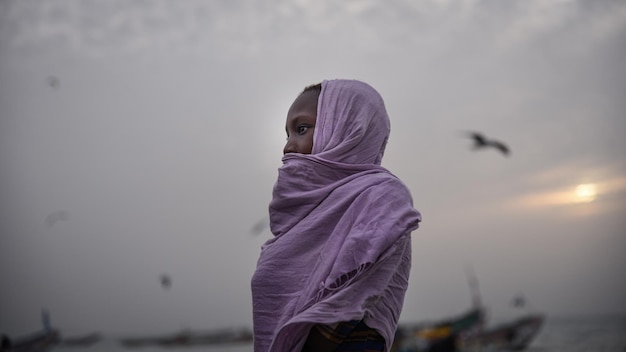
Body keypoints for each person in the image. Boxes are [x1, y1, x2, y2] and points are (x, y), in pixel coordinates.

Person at [251, 79, 422, 352]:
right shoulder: (299, 219)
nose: (287, 147)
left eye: (302, 129)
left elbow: (346, 306)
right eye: (287, 134)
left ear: (347, 128)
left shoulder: (381, 199)